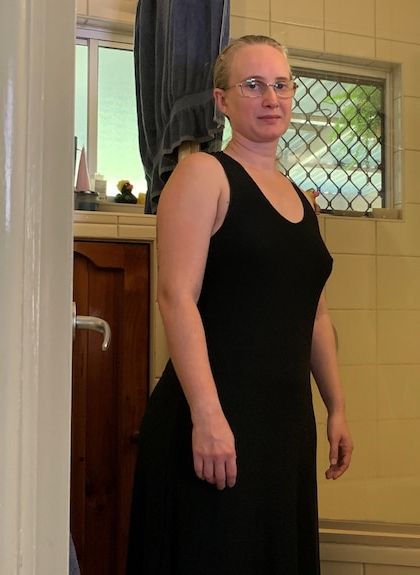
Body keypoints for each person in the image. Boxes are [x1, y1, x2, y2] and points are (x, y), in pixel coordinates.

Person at [126, 35, 353, 575]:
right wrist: (207, 416)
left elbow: (315, 316)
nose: (270, 97)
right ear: (222, 100)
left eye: (281, 85)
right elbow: (174, 297)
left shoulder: (303, 199)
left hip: (283, 428)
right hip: (214, 421)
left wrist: (336, 407)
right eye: (253, 85)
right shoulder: (204, 174)